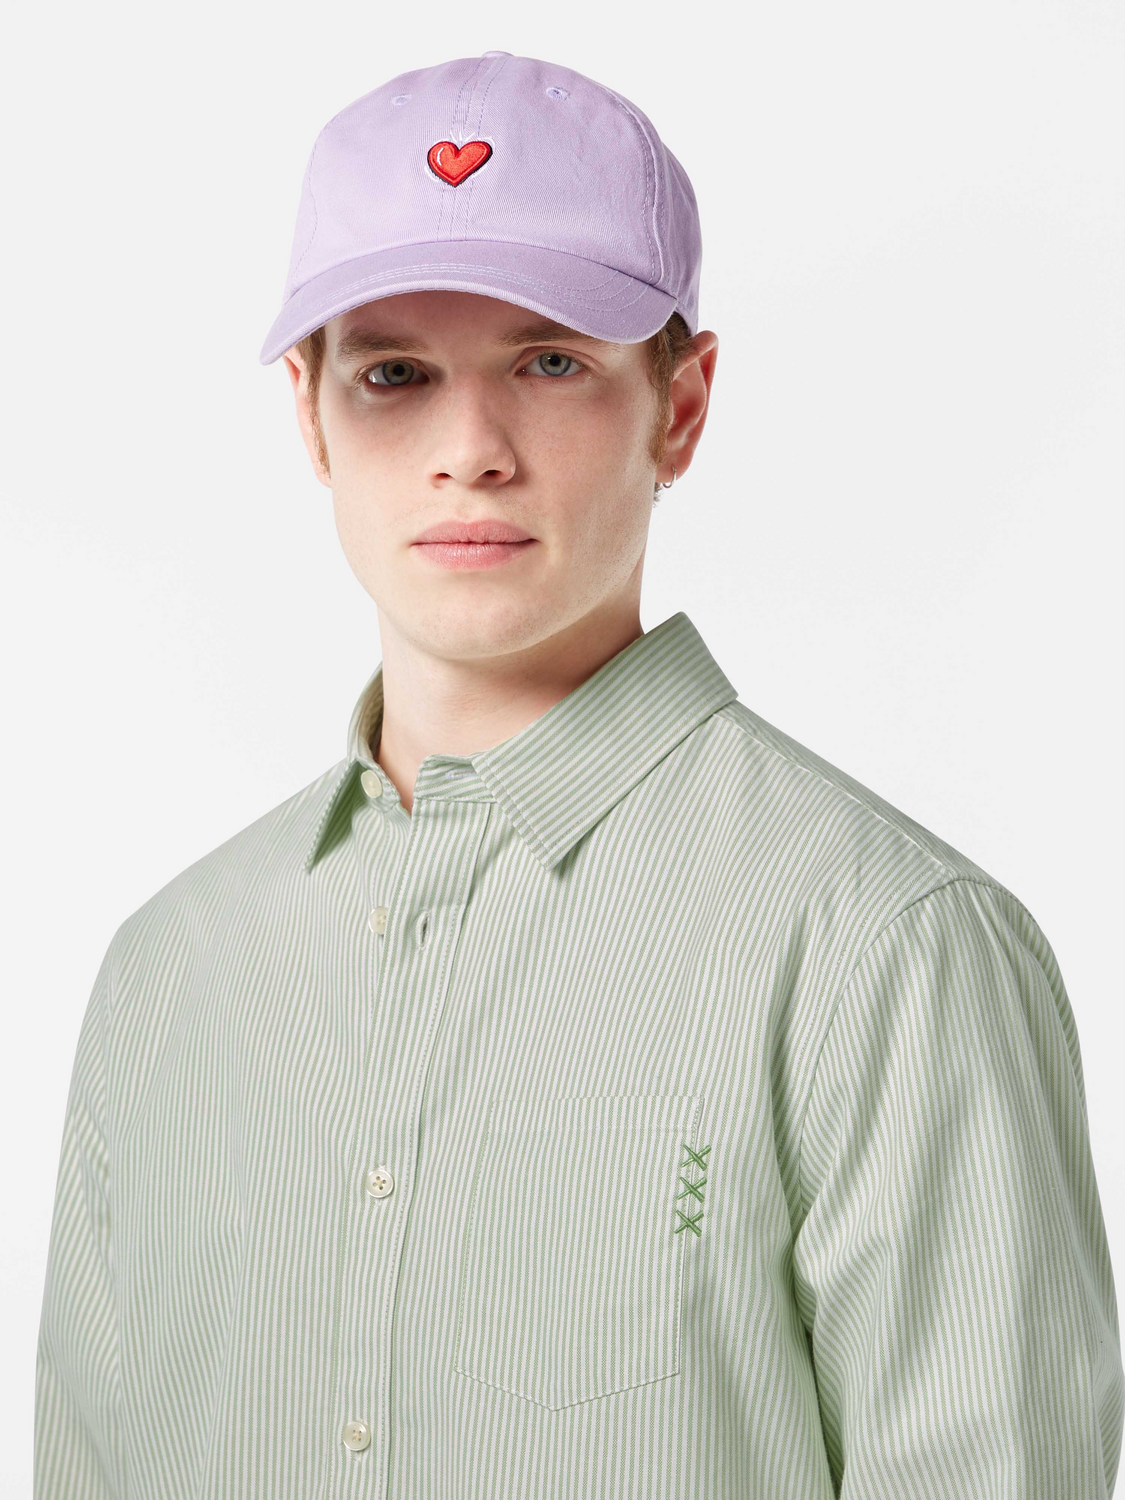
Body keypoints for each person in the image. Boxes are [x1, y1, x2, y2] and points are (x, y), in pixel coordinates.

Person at [34, 49, 1124, 1500]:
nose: (470, 453)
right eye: (394, 374)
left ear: (682, 404)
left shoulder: (885, 951)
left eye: (551, 362)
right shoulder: (168, 972)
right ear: (310, 413)